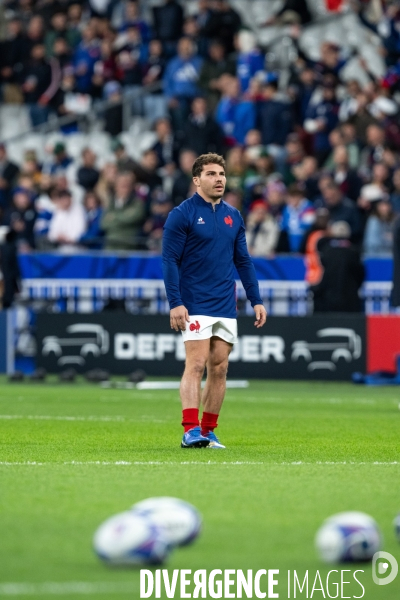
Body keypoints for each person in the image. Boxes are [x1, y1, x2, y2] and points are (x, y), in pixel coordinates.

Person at [162, 153, 267, 449]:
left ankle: (208, 431)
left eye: (221, 173)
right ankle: (190, 429)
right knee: (195, 364)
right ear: (197, 180)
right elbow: (169, 260)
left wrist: (256, 299)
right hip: (194, 301)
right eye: (211, 174)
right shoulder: (181, 214)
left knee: (219, 367)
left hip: (225, 303)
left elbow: (243, 261)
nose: (219, 178)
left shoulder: (233, 215)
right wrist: (175, 302)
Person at [312, 221, 365, 312]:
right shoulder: (354, 251)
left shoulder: (326, 251)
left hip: (328, 298)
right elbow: (360, 274)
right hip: (350, 298)